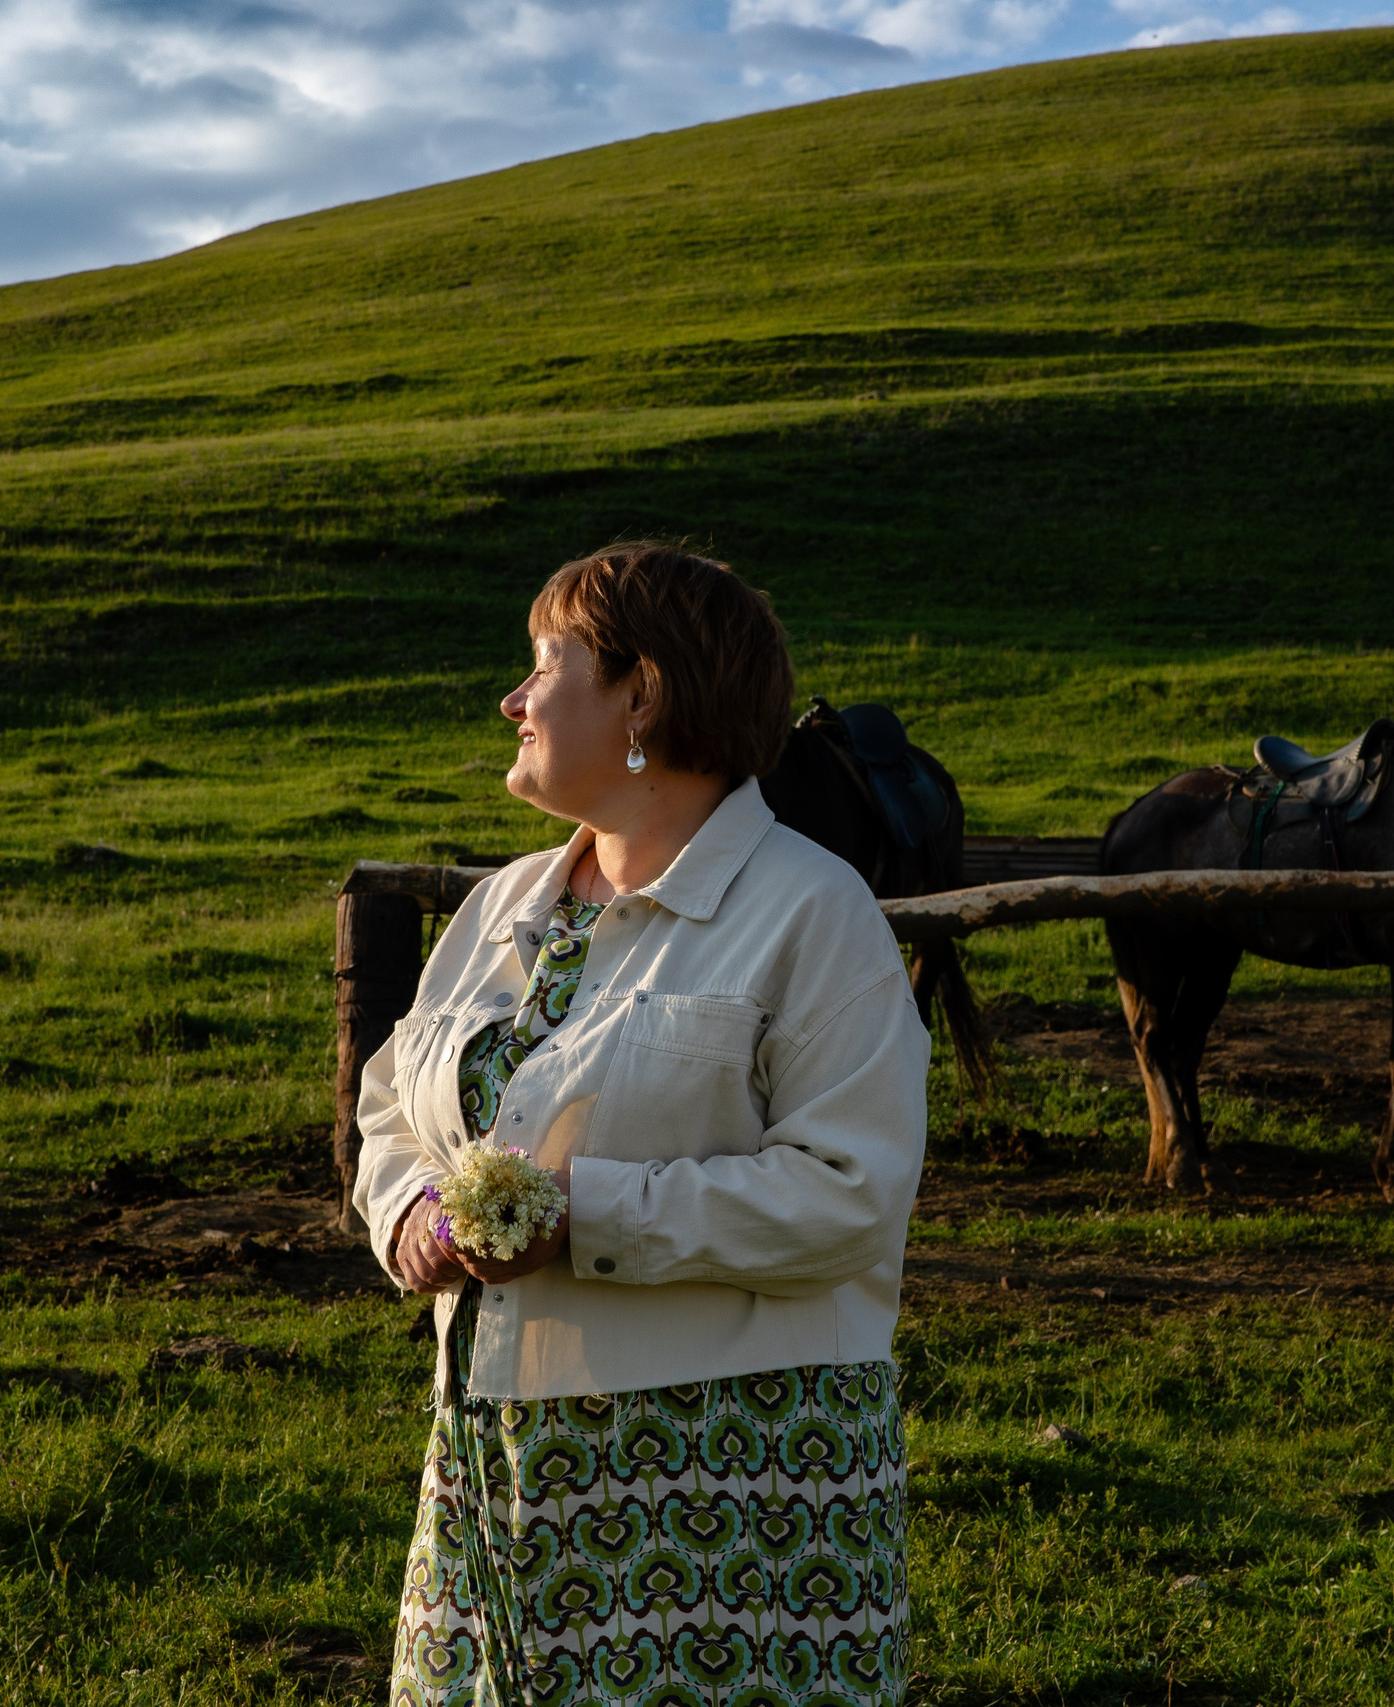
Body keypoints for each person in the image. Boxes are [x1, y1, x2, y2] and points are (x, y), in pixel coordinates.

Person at [352, 542, 930, 1705]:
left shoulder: (811, 913)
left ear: (642, 694)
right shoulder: (499, 907)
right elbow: (390, 1105)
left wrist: (587, 1214)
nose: (512, 700)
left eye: (543, 665)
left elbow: (849, 1192)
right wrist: (409, 1210)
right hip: (489, 1465)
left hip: (737, 1482)